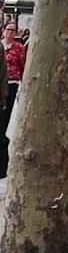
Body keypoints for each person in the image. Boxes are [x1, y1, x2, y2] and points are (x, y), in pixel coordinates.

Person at [0, 18, 25, 177]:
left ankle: (3, 165)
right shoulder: (1, 46)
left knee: (2, 125)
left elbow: (23, 68)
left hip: (10, 86)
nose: (9, 33)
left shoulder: (18, 48)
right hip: (3, 87)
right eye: (7, 30)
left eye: (12, 30)